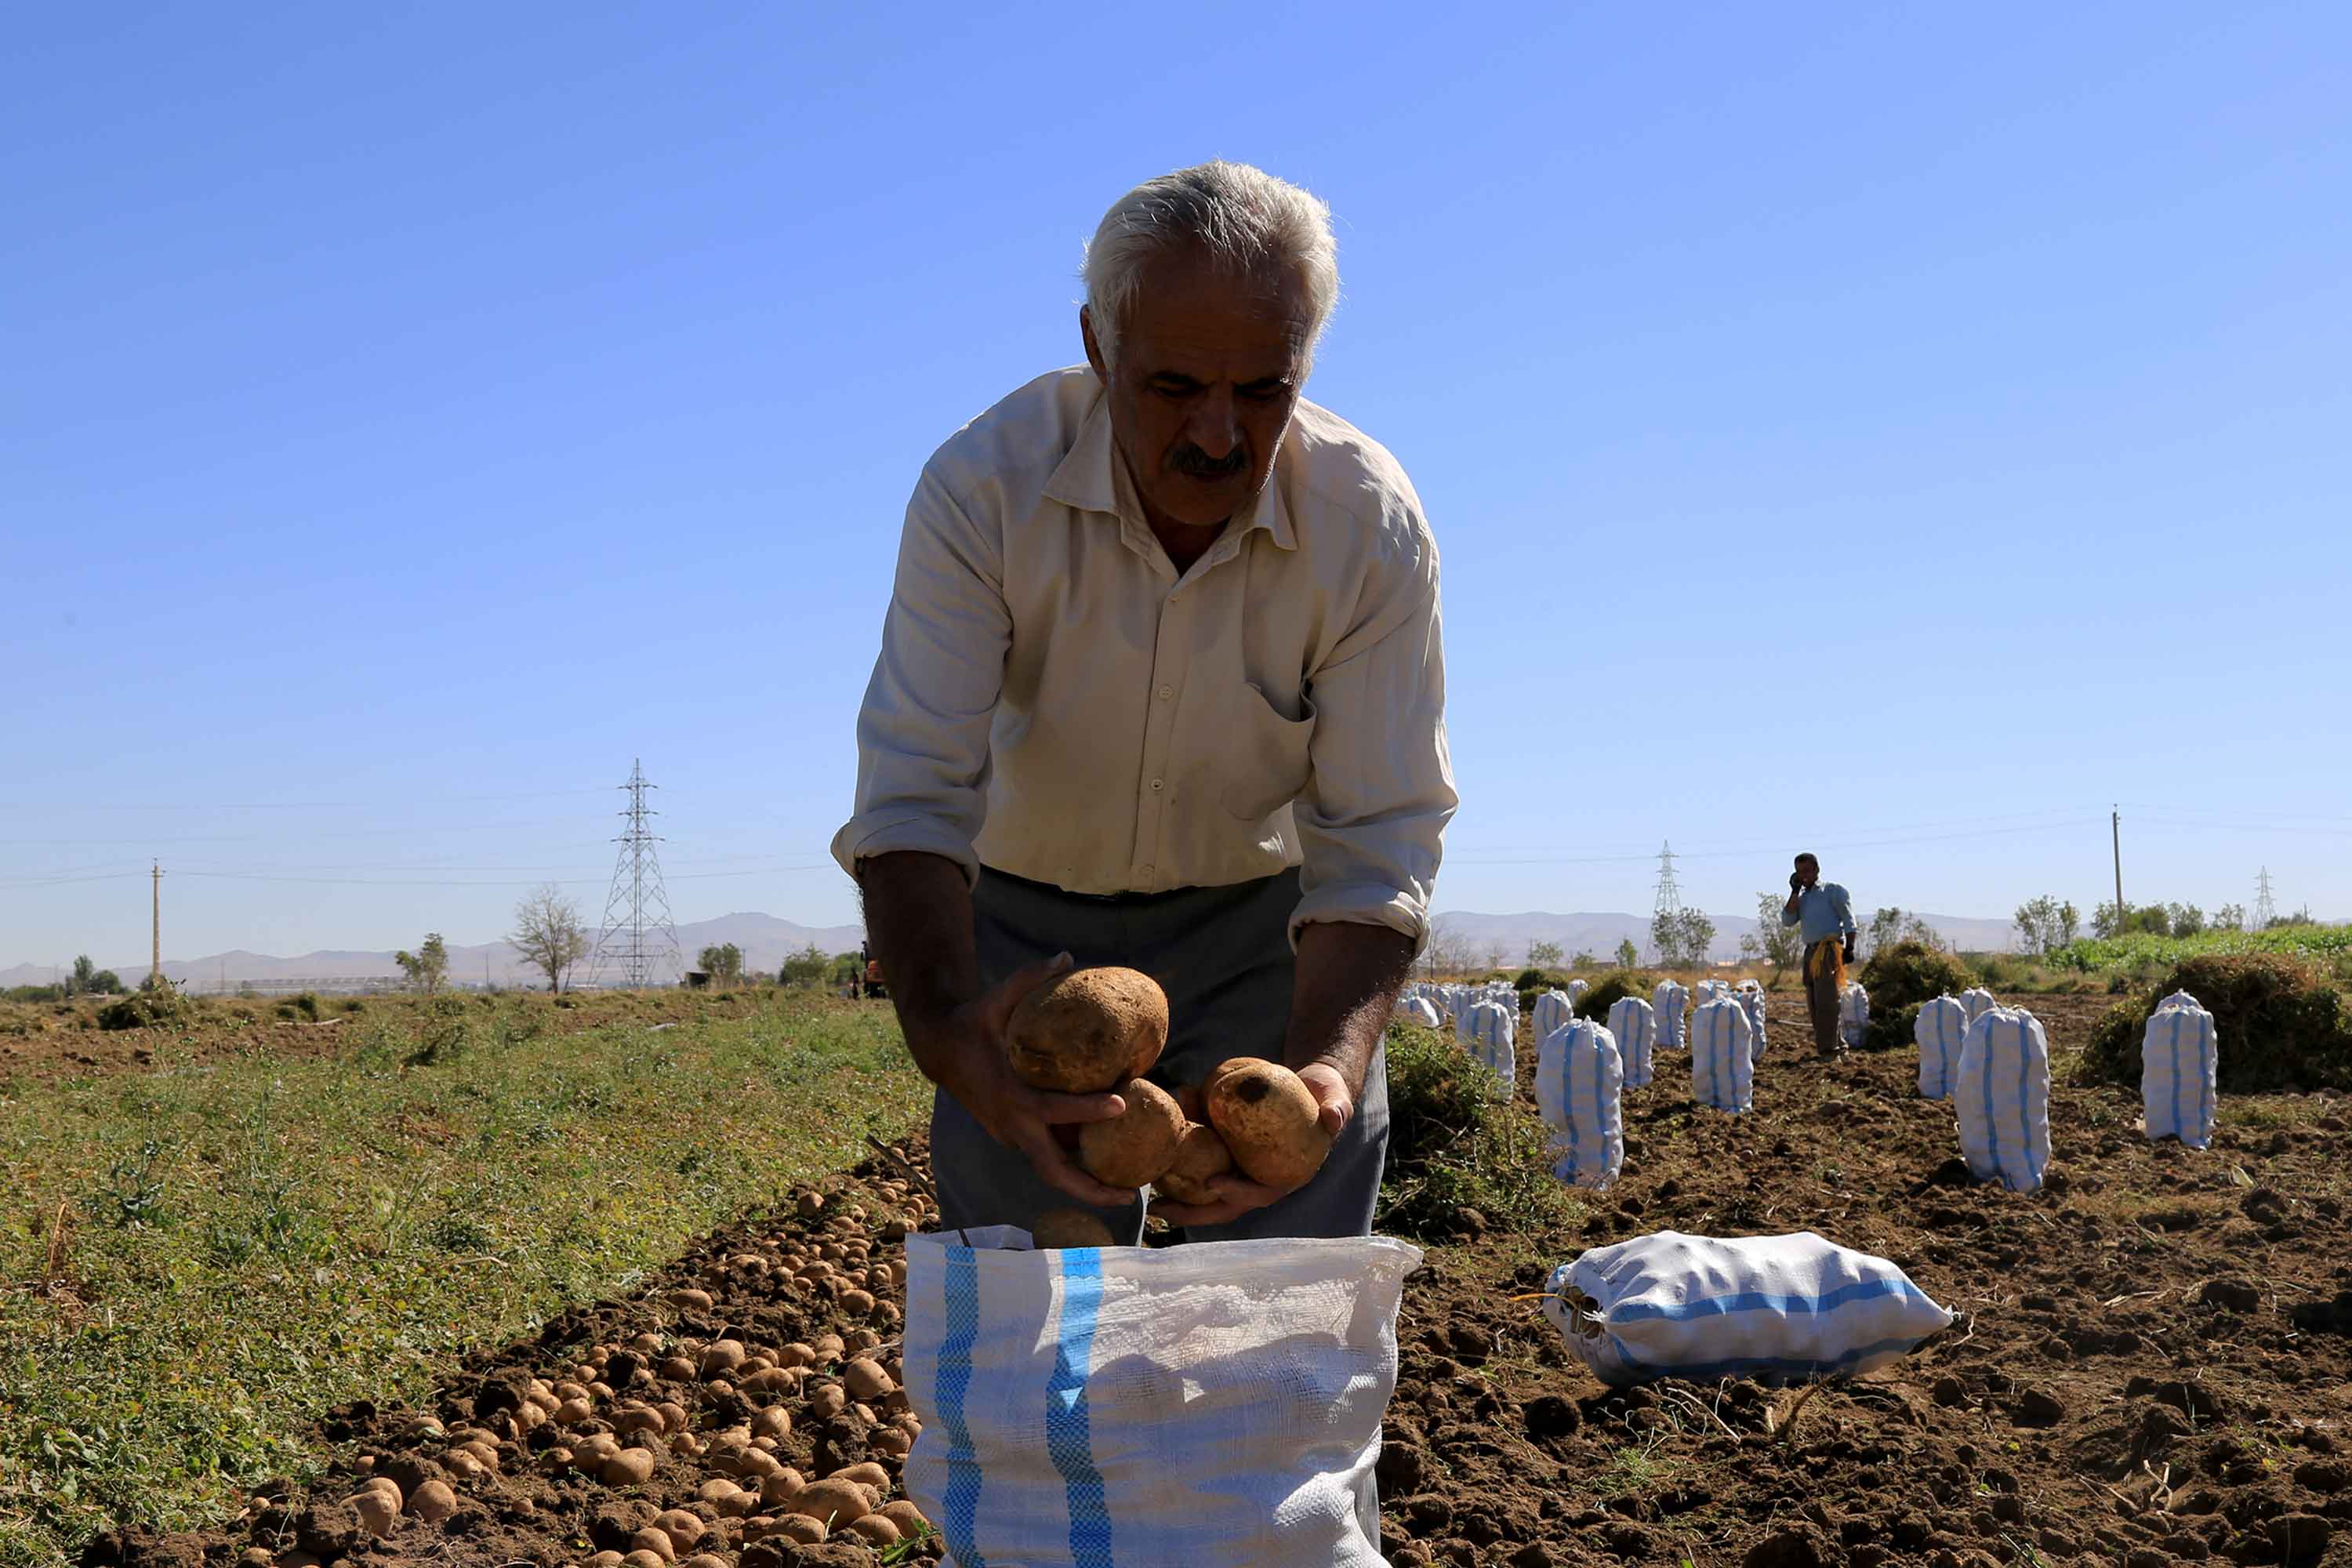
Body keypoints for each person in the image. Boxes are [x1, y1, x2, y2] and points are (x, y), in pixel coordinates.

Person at [832, 162, 1456, 1245]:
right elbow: (917, 788)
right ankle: (1056, 1426)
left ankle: (1263, 1416)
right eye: (1173, 387)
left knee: (1285, 1295)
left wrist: (1327, 1070)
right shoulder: (985, 491)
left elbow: (1376, 834)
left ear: (1304, 362)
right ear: (1097, 347)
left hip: (1269, 933)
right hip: (1027, 932)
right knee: (1037, 1300)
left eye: (1263, 390)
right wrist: (948, 1031)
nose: (1218, 436)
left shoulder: (1368, 524)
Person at [1780, 853, 1858, 1058]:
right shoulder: (1802, 898)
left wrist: (1850, 947)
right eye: (1799, 872)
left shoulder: (1833, 892)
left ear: (1816, 870)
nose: (1803, 876)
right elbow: (1787, 920)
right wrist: (1794, 892)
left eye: (1807, 871)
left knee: (1827, 1001)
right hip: (1811, 951)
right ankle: (1838, 1046)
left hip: (1829, 950)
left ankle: (1829, 1051)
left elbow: (1849, 920)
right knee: (1815, 1002)